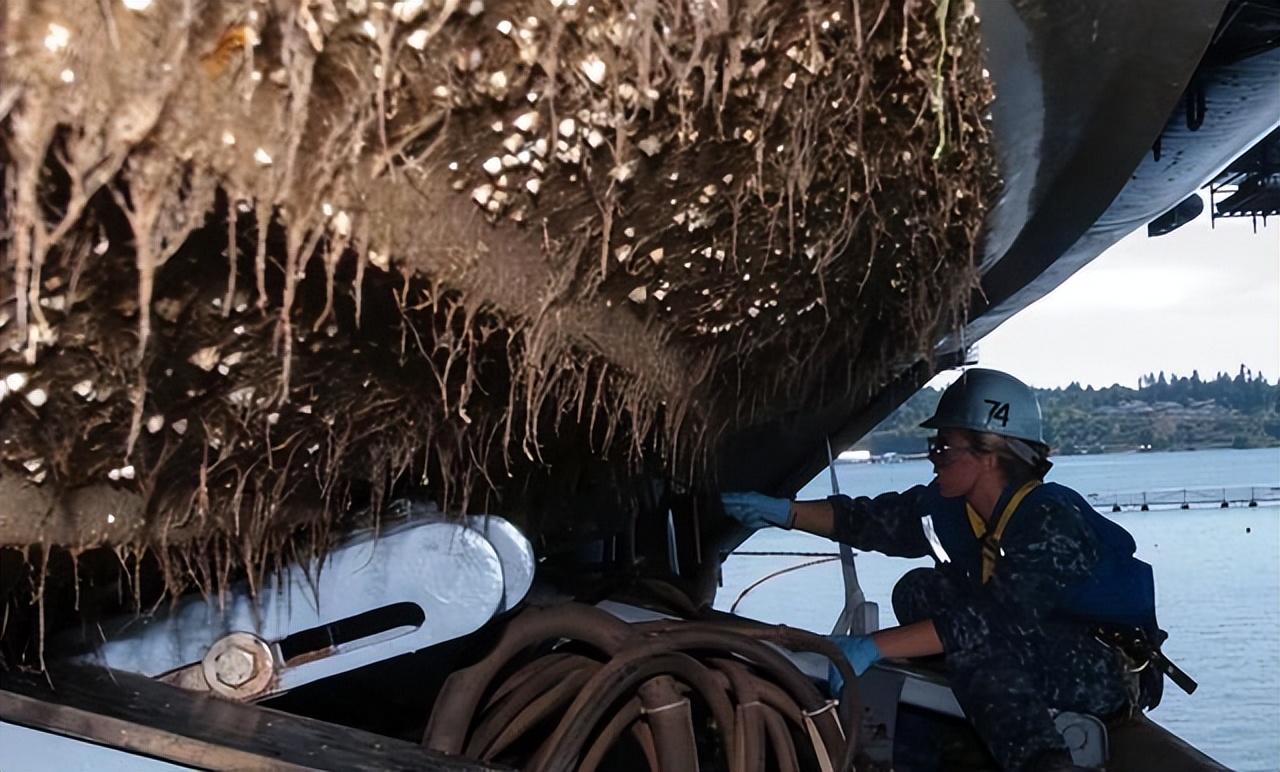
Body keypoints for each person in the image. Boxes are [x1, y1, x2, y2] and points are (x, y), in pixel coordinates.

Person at [722, 369, 1162, 772]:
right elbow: (878, 521)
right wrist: (786, 513)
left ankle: (1042, 760)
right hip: (1027, 640)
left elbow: (996, 620)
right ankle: (976, 702)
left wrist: (871, 646)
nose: (933, 458)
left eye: (944, 448)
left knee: (978, 645)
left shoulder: (1050, 519)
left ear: (990, 454)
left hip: (1108, 669)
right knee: (917, 590)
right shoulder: (952, 507)